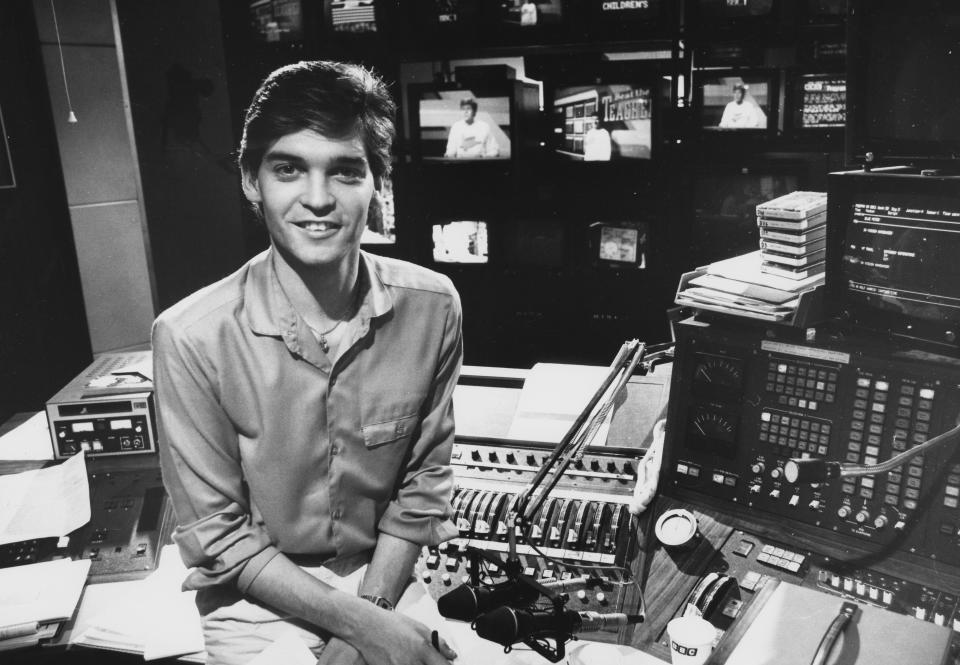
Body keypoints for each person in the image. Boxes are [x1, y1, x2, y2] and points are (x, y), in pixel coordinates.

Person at [152, 60, 463, 665]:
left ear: (377, 183)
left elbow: (422, 486)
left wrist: (371, 616)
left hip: (385, 578)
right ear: (251, 180)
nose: (317, 199)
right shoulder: (189, 336)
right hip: (256, 595)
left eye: (345, 171)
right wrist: (364, 628)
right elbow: (220, 536)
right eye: (288, 168)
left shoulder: (434, 306)